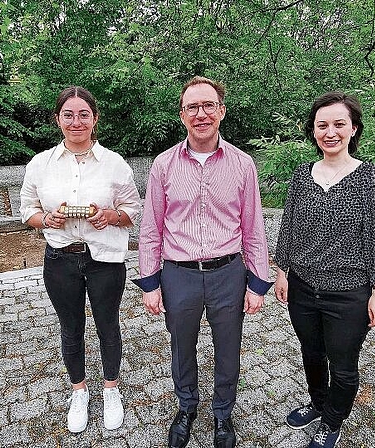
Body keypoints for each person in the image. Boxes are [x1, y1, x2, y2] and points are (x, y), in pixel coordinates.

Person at [134, 76, 272, 448]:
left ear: (221, 111)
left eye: (208, 105)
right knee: (182, 345)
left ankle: (223, 414)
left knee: (229, 345)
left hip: (229, 272)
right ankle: (187, 406)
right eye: (192, 107)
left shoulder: (243, 165)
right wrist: (150, 282)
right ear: (182, 116)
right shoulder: (163, 165)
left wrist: (258, 283)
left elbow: (253, 228)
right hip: (179, 275)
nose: (201, 114)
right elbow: (151, 228)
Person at [274, 91, 375, 448]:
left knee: (343, 366)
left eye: (339, 124)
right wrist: (282, 270)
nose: (330, 132)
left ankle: (332, 421)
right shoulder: (301, 175)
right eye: (321, 125)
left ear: (353, 129)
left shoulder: (372, 178)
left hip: (349, 294)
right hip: (304, 288)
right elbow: (289, 226)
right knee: (311, 353)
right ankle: (317, 402)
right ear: (313, 132)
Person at [20, 86, 142, 433]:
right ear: (58, 119)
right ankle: (78, 391)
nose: (76, 122)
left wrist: (110, 216)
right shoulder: (40, 164)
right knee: (71, 328)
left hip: (104, 259)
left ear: (95, 119)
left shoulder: (114, 164)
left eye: (84, 114)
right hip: (60, 259)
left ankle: (111, 389)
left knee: (107, 325)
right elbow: (27, 209)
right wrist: (48, 219)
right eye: (69, 114)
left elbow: (133, 209)